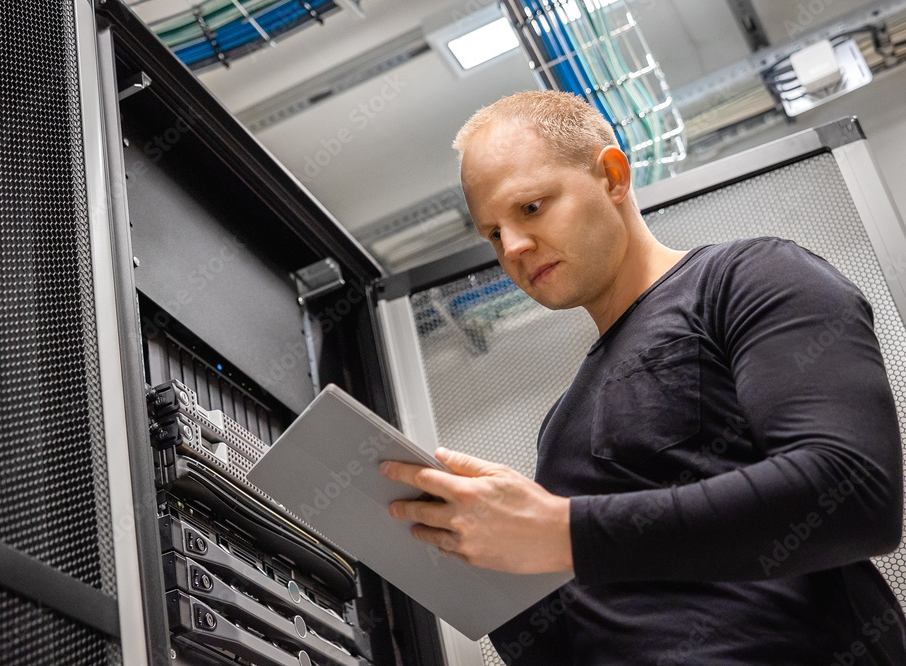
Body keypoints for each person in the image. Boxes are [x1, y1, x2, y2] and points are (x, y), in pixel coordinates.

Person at [379, 90, 906, 664]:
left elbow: (850, 490)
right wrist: (490, 562)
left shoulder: (748, 278)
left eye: (530, 208)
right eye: (493, 234)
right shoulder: (560, 426)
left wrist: (561, 530)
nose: (514, 248)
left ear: (611, 177)